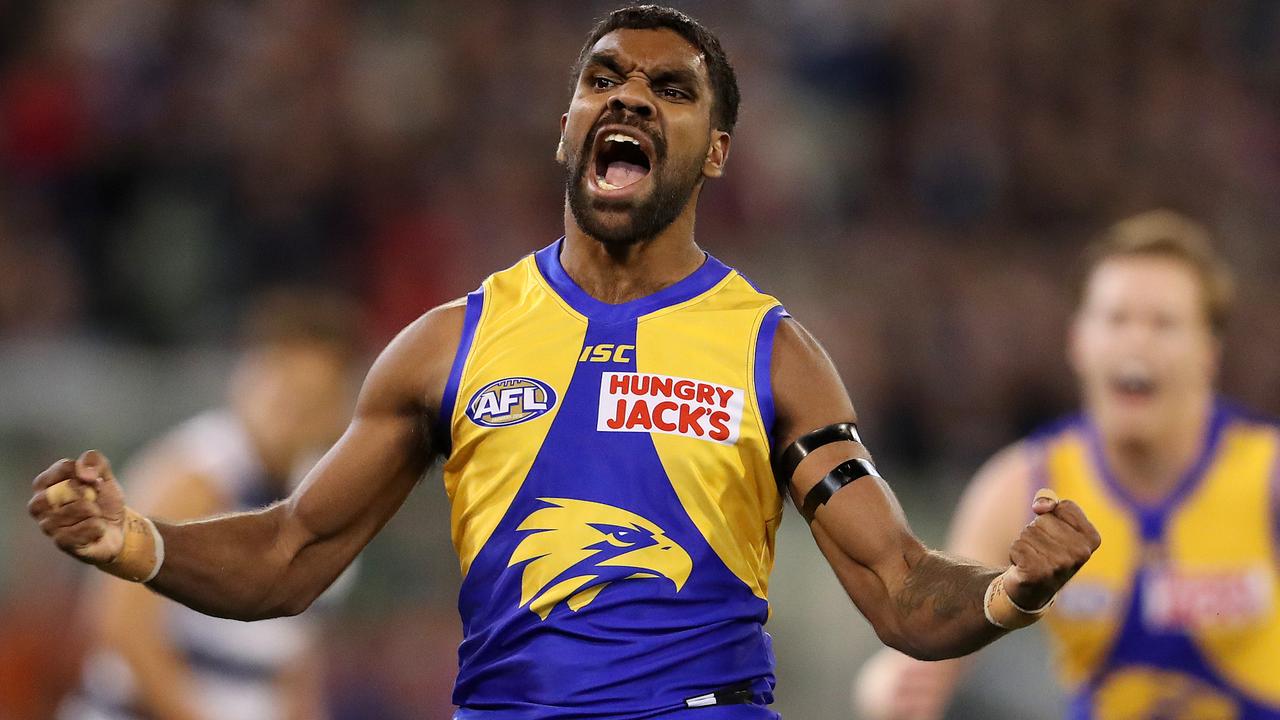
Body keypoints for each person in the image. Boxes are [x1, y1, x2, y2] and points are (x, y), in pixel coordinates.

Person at [27, 7, 1100, 719]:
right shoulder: (449, 342)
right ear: (566, 126)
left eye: (670, 89)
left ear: (717, 150)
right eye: (602, 80)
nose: (627, 97)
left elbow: (898, 586)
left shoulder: (771, 355)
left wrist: (1009, 589)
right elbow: (290, 550)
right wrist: (134, 541)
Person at [854, 210, 1280, 720]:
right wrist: (890, 683)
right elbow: (932, 634)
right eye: (1117, 318)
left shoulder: (1268, 477)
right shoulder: (1023, 487)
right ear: (1079, 342)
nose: (1136, 340)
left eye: (1163, 323)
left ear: (1208, 352)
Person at [57, 290, 361, 720]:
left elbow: (296, 661)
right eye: (281, 388)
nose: (287, 412)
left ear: (338, 407)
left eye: (308, 400)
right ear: (247, 375)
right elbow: (121, 625)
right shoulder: (194, 475)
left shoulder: (328, 498)